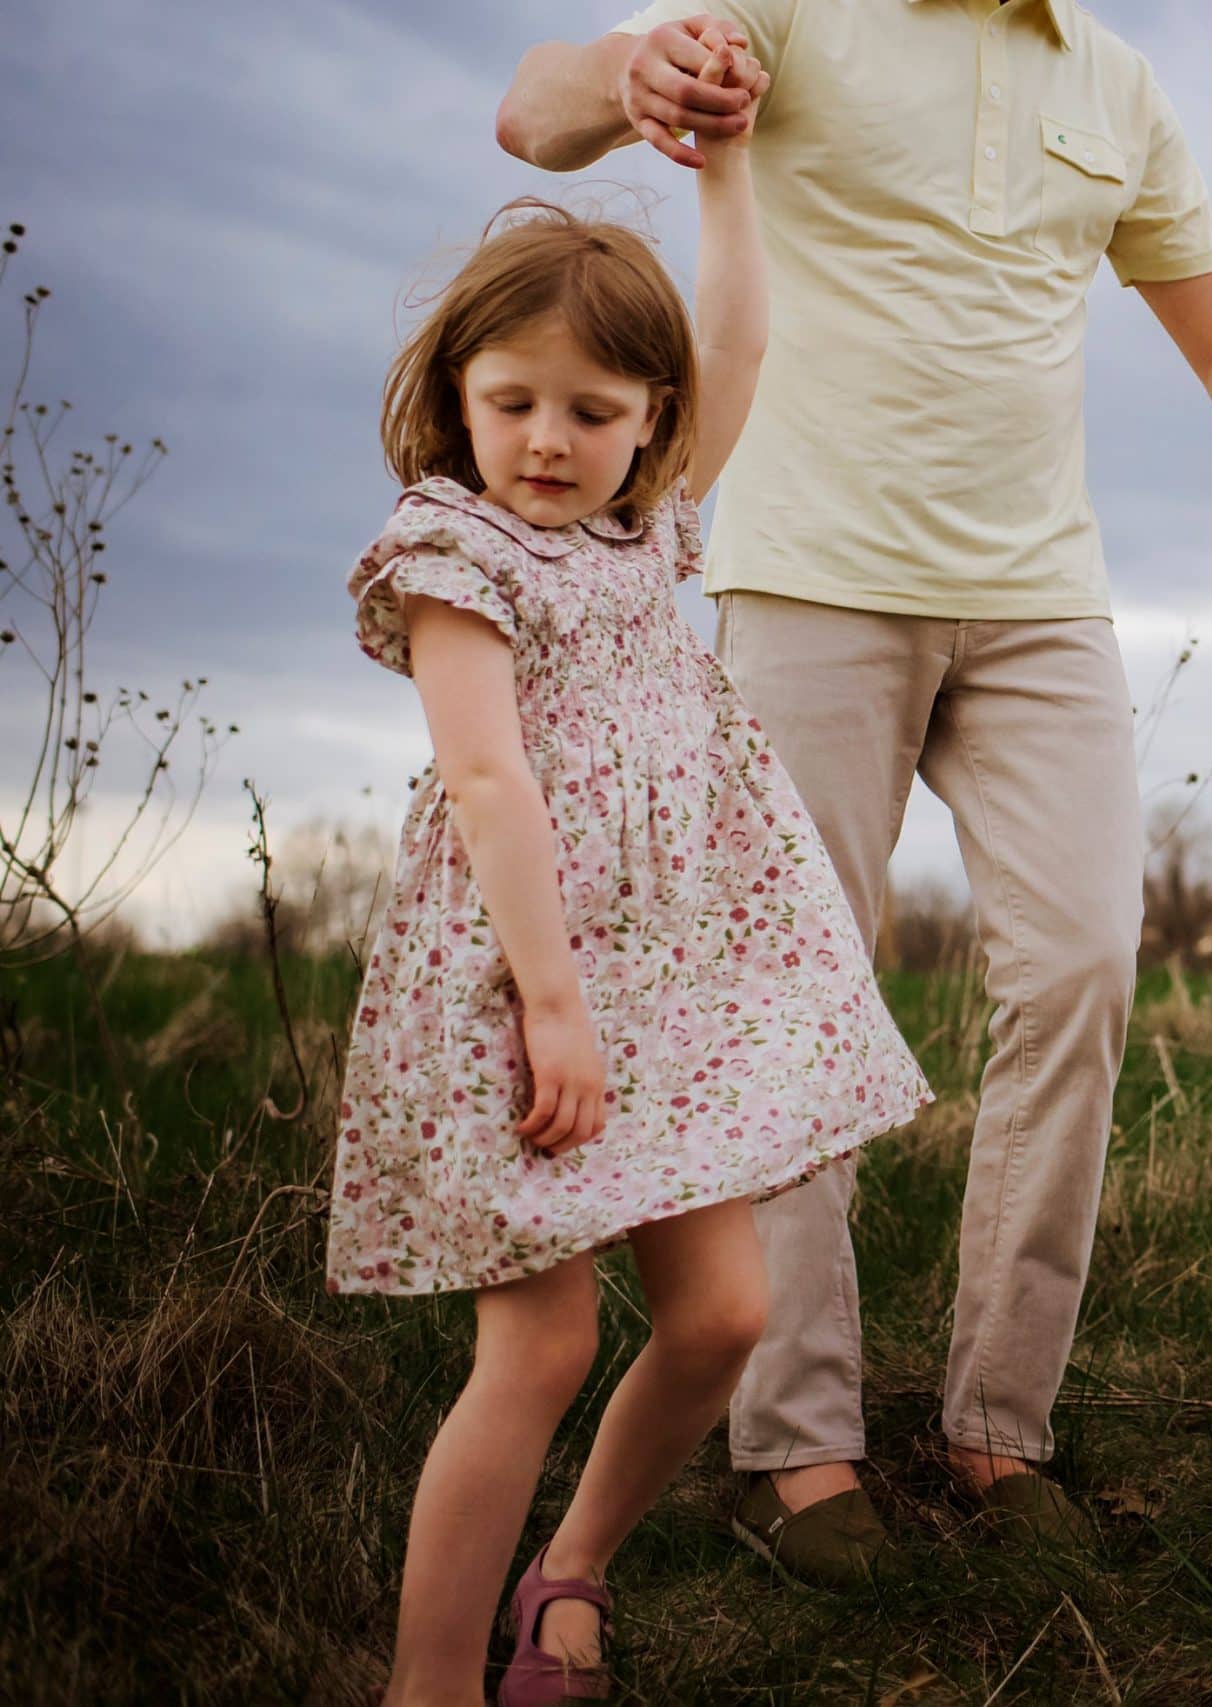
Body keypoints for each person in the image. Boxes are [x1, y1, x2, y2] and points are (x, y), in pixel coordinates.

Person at [495, 3, 1212, 1580]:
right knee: (793, 999)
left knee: (1085, 962)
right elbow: (532, 111)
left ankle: (998, 1423)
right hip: (807, 571)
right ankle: (796, 1446)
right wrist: (624, 82)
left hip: (1042, 592)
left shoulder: (1116, 84)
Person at [338, 52, 931, 1705]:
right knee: (540, 1341)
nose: (548, 439)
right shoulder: (453, 556)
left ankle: (573, 1566)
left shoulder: (645, 531)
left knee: (728, 1316)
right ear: (459, 390)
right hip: (537, 981)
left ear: (649, 419)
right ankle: (430, 1680)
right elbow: (484, 774)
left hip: (682, 983)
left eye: (594, 412)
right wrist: (552, 1003)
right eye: (513, 399)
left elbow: (740, 334)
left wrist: (729, 167)